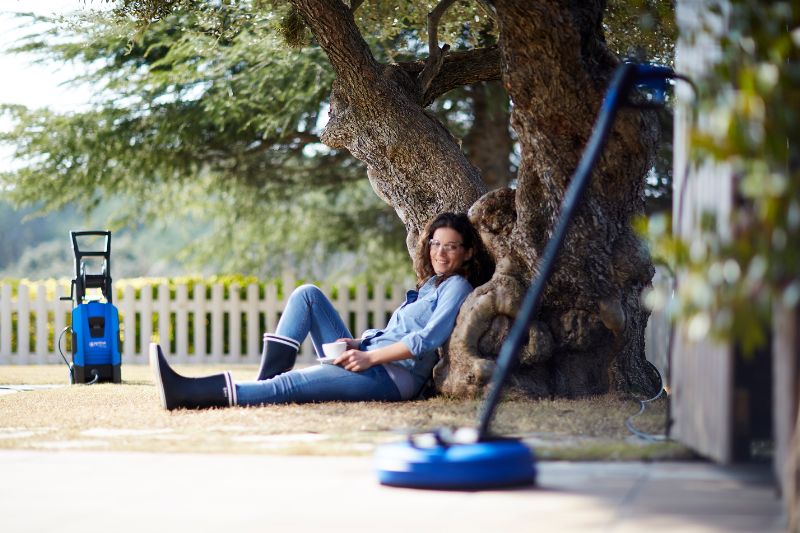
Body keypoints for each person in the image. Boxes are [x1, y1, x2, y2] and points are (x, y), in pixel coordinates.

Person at [150, 212, 493, 410]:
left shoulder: (457, 286)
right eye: (436, 244)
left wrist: (370, 359)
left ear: (467, 253)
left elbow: (428, 338)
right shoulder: (429, 285)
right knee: (308, 295)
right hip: (372, 358)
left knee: (292, 385)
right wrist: (361, 343)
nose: (441, 253)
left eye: (451, 247)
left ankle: (189, 394)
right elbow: (398, 332)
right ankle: (264, 384)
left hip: (392, 377)